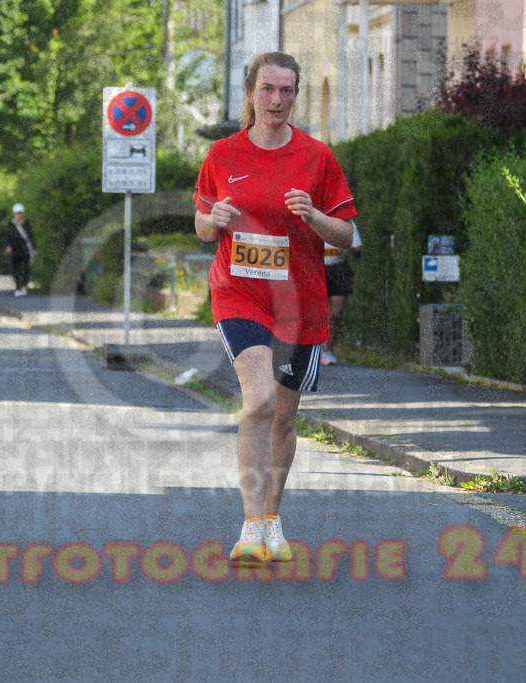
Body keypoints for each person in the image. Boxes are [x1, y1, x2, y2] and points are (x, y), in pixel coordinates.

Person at [193, 52, 358, 565]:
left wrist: (313, 216)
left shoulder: (317, 157)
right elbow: (201, 225)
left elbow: (347, 235)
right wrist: (213, 220)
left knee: (284, 418)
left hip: (298, 303)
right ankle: (248, 526)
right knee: (260, 400)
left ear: (295, 96)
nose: (276, 100)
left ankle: (272, 521)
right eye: (267, 89)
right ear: (250, 93)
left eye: (286, 91)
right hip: (239, 293)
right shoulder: (223, 155)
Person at [320, 222, 363, 365]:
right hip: (316, 269)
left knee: (335, 314)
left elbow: (358, 251)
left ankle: (327, 351)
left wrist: (348, 245)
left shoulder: (347, 223)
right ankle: (312, 349)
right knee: (316, 313)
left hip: (339, 270)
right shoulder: (312, 216)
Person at [5, 203, 37, 296]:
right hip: (15, 251)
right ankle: (18, 287)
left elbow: (31, 236)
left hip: (25, 250)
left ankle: (23, 285)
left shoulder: (27, 224)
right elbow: (7, 237)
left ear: (22, 214)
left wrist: (34, 248)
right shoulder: (11, 225)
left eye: (20, 213)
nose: (19, 215)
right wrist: (8, 246)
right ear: (14, 214)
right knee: (15, 270)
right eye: (17, 213)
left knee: (26, 269)